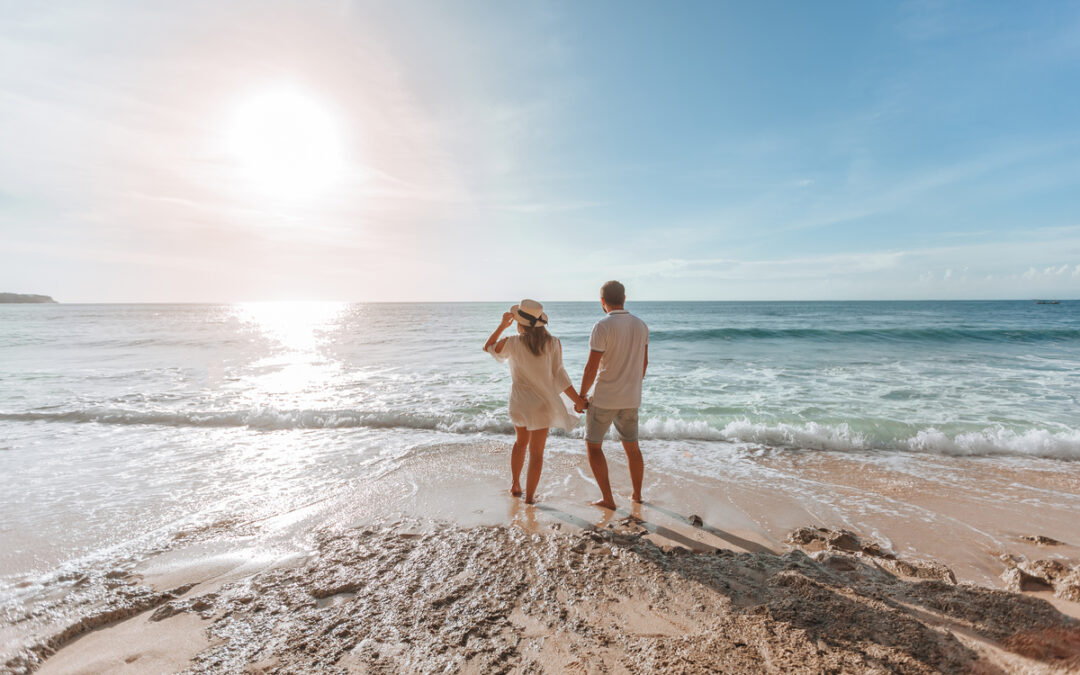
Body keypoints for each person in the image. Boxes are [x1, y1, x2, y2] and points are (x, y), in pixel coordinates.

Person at [484, 299, 588, 504]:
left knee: (520, 443)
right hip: (541, 406)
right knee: (537, 453)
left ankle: (515, 485)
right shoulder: (553, 343)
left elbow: (489, 347)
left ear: (519, 322)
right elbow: (560, 377)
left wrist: (501, 325)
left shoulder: (512, 342)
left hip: (518, 403)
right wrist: (579, 402)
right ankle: (530, 498)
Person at [577, 281, 649, 509]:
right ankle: (637, 495)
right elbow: (644, 363)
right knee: (632, 447)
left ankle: (608, 499)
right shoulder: (641, 325)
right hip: (630, 397)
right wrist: (631, 386)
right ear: (624, 298)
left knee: (593, 446)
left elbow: (591, 368)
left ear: (602, 301)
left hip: (605, 398)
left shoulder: (602, 326)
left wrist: (581, 395)